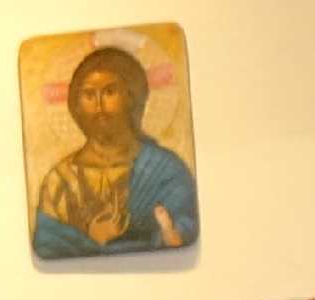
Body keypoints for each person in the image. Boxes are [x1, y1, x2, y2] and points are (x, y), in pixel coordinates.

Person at [31, 37, 196, 256]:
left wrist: (170, 234)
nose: (99, 104)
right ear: (76, 105)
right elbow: (48, 245)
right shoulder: (59, 181)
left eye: (109, 92)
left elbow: (182, 231)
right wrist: (91, 238)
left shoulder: (165, 170)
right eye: (89, 94)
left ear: (132, 97)